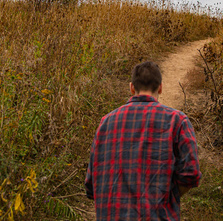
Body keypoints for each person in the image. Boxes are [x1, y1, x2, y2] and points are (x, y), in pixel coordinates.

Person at [85, 61, 201, 220]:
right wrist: (167, 197)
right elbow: (191, 174)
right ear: (160, 87)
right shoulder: (177, 121)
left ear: (131, 87)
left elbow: (91, 185)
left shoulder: (106, 122)